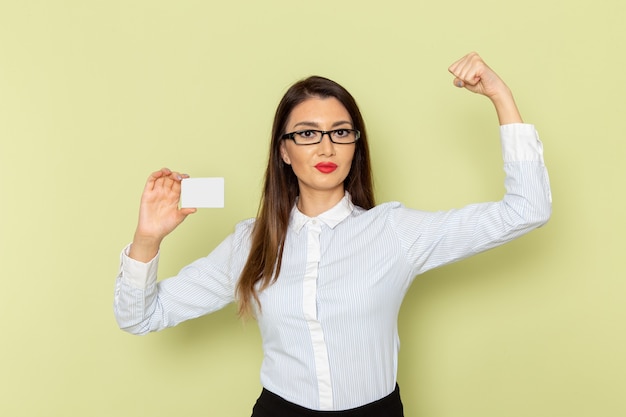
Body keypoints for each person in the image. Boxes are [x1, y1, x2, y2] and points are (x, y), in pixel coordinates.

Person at [114, 52, 552, 416]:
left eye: (340, 132)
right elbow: (140, 316)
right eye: (307, 134)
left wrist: (500, 95)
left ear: (354, 145)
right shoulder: (252, 244)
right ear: (284, 151)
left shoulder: (394, 232)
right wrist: (147, 239)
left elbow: (526, 210)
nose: (326, 147)